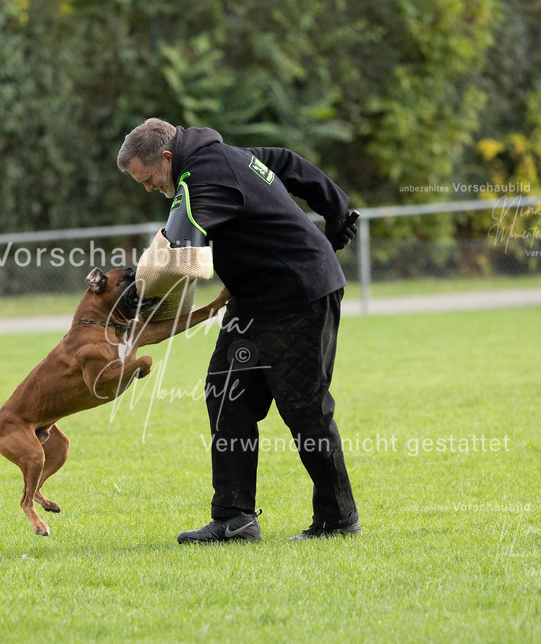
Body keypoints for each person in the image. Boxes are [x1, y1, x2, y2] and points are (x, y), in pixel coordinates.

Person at [118, 118, 361, 543]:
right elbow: (286, 161)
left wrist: (127, 303)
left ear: (168, 157)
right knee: (227, 394)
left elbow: (173, 255)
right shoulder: (229, 158)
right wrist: (336, 208)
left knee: (304, 407)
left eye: (150, 177)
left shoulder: (203, 177)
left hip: (299, 294)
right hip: (254, 299)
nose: (149, 188)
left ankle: (338, 520)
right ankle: (234, 517)